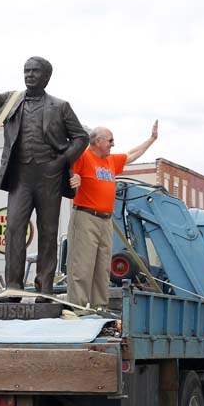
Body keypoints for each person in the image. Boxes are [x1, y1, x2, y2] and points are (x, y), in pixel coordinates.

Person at [0, 54, 89, 299]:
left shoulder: (60, 107)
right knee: (14, 229)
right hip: (21, 178)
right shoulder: (11, 102)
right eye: (26, 70)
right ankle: (14, 286)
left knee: (48, 232)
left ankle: (45, 289)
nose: (29, 75)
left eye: (35, 71)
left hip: (49, 177)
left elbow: (82, 137)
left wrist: (62, 161)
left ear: (47, 77)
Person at [67, 122, 159, 308]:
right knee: (82, 266)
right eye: (110, 141)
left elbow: (132, 154)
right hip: (86, 217)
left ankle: (99, 307)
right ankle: (77, 307)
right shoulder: (83, 157)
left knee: (102, 267)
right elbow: (66, 173)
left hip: (106, 220)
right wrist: (73, 178)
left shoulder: (110, 161)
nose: (112, 144)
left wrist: (151, 139)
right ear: (98, 141)